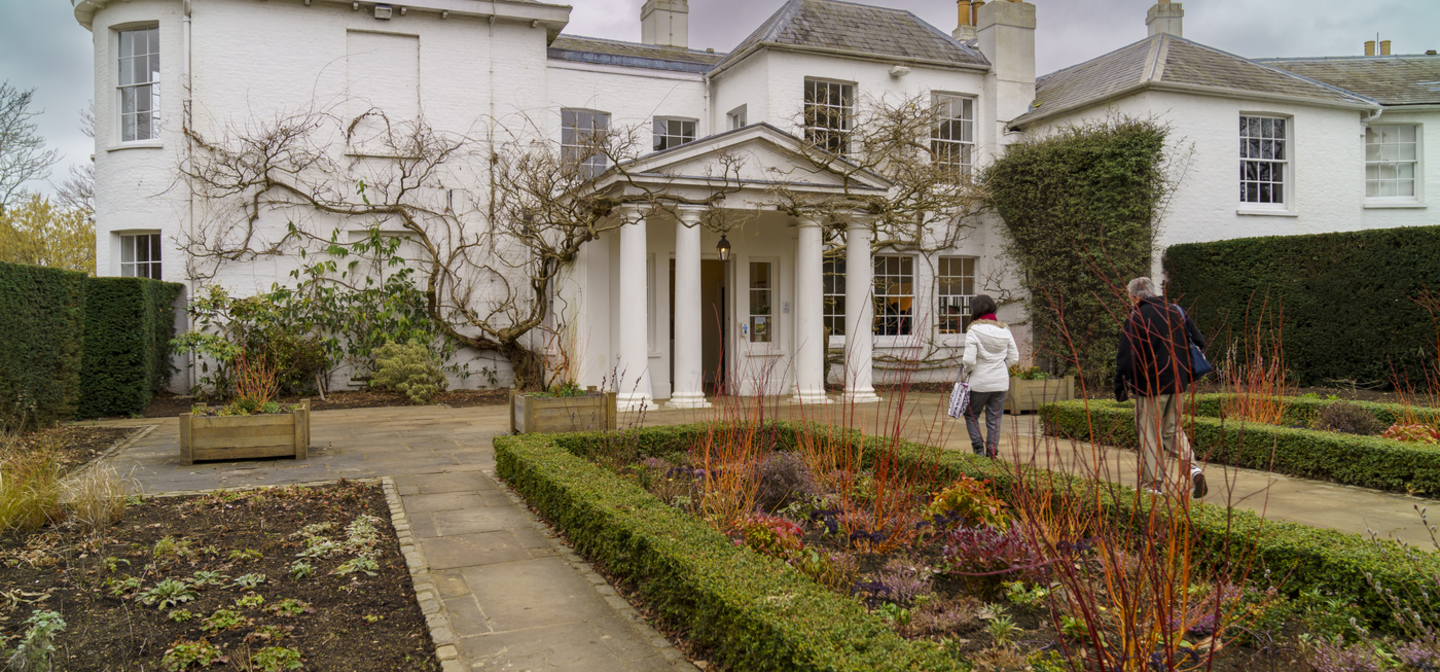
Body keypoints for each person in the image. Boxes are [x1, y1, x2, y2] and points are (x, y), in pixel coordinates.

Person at [1114, 277, 1208, 498]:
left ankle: (1152, 485)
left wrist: (1121, 384)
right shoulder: (1176, 311)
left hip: (1149, 386)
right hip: (1177, 382)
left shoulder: (1137, 317)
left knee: (1149, 435)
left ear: (1136, 296)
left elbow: (1127, 356)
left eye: (1129, 297)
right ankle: (1193, 469)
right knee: (1173, 429)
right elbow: (1199, 341)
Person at [962, 295, 1020, 457]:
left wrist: (966, 373)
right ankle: (992, 452)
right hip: (1000, 382)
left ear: (976, 310)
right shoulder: (1004, 330)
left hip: (980, 382)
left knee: (971, 415)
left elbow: (969, 360)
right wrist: (1000, 368)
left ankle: (978, 449)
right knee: (994, 420)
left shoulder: (974, 330)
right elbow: (1014, 358)